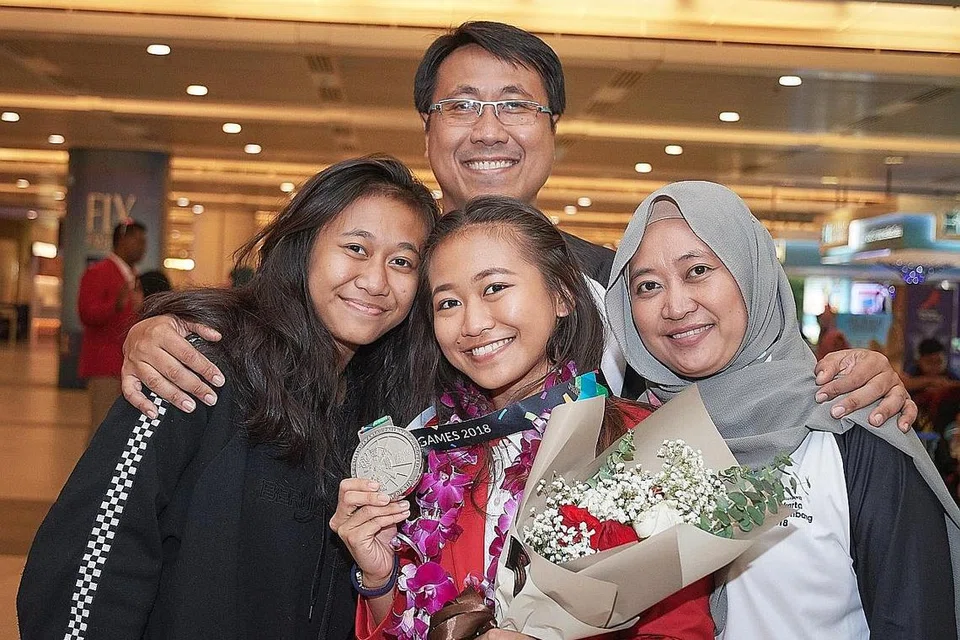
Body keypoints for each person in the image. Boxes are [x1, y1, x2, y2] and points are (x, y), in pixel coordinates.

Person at [117, 21, 915, 434]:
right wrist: (162, 326)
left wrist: (855, 382)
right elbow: (282, 327)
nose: (488, 128)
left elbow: (726, 372)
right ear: (428, 133)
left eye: (516, 104)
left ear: (553, 130)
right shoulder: (385, 279)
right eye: (460, 106)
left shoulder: (617, 282)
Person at [17, 157, 440, 640]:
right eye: (355, 248)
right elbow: (91, 555)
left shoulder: (381, 408)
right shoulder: (200, 370)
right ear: (304, 248)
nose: (376, 280)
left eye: (402, 262)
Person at [332, 196, 713, 640]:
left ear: (562, 295)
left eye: (494, 288)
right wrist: (379, 577)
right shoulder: (429, 452)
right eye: (448, 303)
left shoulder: (644, 442)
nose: (472, 323)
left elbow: (681, 631)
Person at [605, 181, 960, 639]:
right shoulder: (631, 446)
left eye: (697, 271)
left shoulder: (851, 425)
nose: (675, 305)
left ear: (751, 273)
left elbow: (914, 618)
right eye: (648, 285)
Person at [77, 220, 147, 433]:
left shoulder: (133, 275)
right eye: (139, 241)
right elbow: (86, 314)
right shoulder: (98, 272)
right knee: (102, 428)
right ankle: (95, 467)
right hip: (105, 365)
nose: (143, 247)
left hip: (128, 364)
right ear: (122, 240)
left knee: (120, 430)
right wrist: (115, 306)